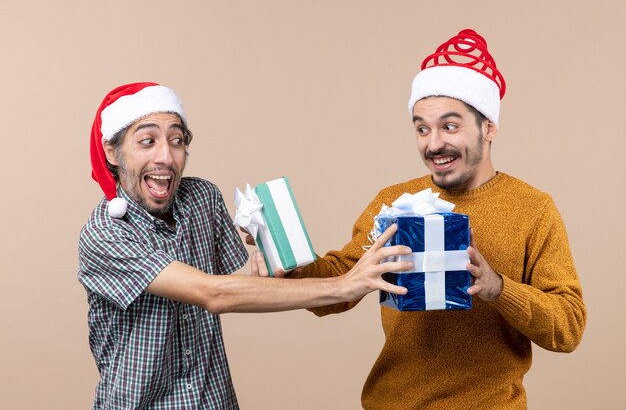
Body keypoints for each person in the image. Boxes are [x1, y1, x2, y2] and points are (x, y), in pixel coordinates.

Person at [292, 29, 587, 409]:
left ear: (489, 127)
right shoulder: (393, 202)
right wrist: (288, 263)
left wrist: (498, 287)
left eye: (450, 126)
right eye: (421, 128)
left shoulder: (534, 209)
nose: (433, 144)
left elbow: (569, 328)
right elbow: (335, 292)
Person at [77, 82, 413, 409]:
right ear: (112, 151)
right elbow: (215, 294)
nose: (165, 156)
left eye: (176, 140)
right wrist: (344, 285)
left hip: (213, 401)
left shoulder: (201, 198)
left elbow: (237, 281)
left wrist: (267, 259)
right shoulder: (104, 234)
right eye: (147, 141)